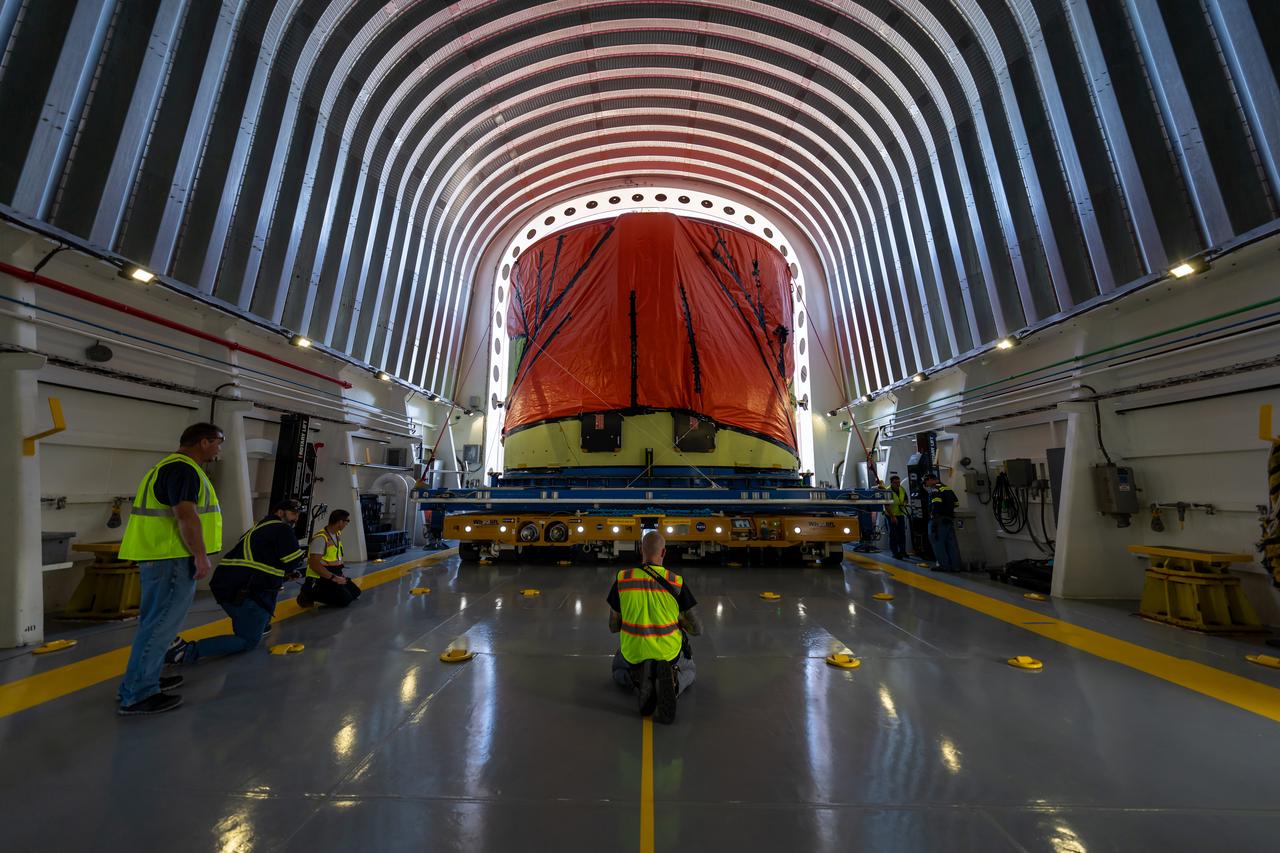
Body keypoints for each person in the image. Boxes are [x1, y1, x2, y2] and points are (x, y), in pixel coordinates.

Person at [116, 422, 224, 716]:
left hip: (161, 557)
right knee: (160, 625)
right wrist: (200, 556)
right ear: (203, 442)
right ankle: (138, 694)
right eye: (217, 442)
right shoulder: (183, 469)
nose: (218, 449)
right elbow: (186, 516)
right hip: (171, 558)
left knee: (155, 624)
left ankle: (143, 679)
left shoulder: (169, 466)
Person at [164, 500, 307, 666]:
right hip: (245, 591)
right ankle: (185, 651)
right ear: (280, 512)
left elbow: (263, 561)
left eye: (298, 514)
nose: (295, 518)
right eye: (293, 513)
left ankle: (256, 625)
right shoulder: (282, 528)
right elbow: (292, 562)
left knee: (259, 620)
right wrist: (303, 556)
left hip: (227, 585)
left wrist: (282, 575)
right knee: (248, 641)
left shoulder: (259, 527)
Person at [607, 531, 701, 724]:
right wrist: (680, 621)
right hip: (668, 652)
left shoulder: (623, 579)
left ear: (641, 550)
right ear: (663, 552)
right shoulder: (677, 582)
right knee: (690, 670)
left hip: (635, 651)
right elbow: (697, 629)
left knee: (618, 670)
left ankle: (638, 679)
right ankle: (673, 684)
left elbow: (613, 626)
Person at [298, 509, 362, 607]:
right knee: (345, 600)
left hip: (335, 572)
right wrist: (333, 578)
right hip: (321, 576)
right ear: (340, 522)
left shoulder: (337, 534)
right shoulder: (321, 539)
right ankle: (309, 593)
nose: (347, 524)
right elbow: (314, 564)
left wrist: (339, 576)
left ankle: (330, 588)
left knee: (355, 593)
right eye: (347, 521)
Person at [923, 473, 962, 573]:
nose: (925, 483)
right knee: (951, 543)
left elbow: (936, 503)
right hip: (949, 519)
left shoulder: (935, 489)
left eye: (926, 481)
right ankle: (955, 566)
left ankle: (944, 565)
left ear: (931, 479)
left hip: (938, 519)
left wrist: (934, 516)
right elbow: (956, 503)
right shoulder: (947, 488)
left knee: (937, 542)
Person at [885, 474, 910, 559]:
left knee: (902, 534)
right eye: (895, 483)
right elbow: (887, 506)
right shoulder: (888, 491)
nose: (898, 484)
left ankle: (903, 551)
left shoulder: (902, 489)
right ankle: (895, 552)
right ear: (891, 483)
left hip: (900, 514)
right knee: (893, 535)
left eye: (898, 482)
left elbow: (906, 499)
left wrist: (905, 503)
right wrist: (892, 517)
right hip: (891, 516)